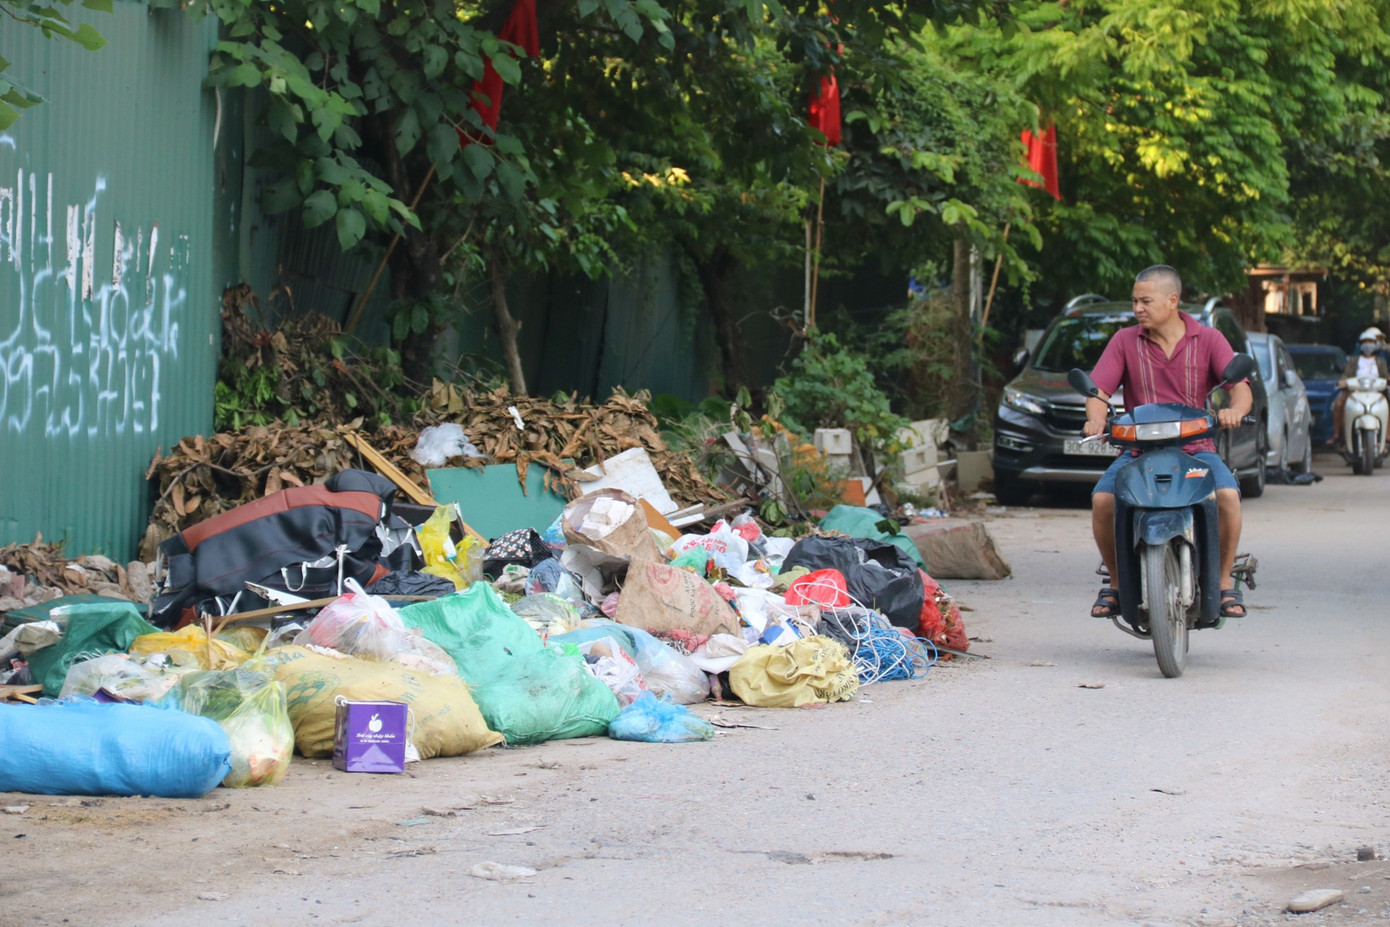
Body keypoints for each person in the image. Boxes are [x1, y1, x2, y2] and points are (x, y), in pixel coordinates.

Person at [1082, 265, 1253, 620]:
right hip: (1137, 451)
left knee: (1227, 498)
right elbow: (1098, 392)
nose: (1138, 309)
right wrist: (1095, 417)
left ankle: (1224, 583)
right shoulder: (1124, 341)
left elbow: (1240, 388)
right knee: (1102, 500)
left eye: (1145, 301)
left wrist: (1235, 411)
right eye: (1135, 301)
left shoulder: (1209, 339)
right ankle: (1116, 583)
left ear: (1172, 300)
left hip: (1197, 450)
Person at [1331, 327, 1389, 449]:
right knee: (1339, 403)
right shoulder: (1354, 360)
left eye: (1371, 342)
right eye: (1365, 342)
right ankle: (1338, 434)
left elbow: (1385, 376)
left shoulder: (1380, 361)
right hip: (1355, 391)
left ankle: (1387, 436)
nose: (1368, 345)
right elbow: (1346, 375)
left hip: (1376, 392)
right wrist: (1343, 381)